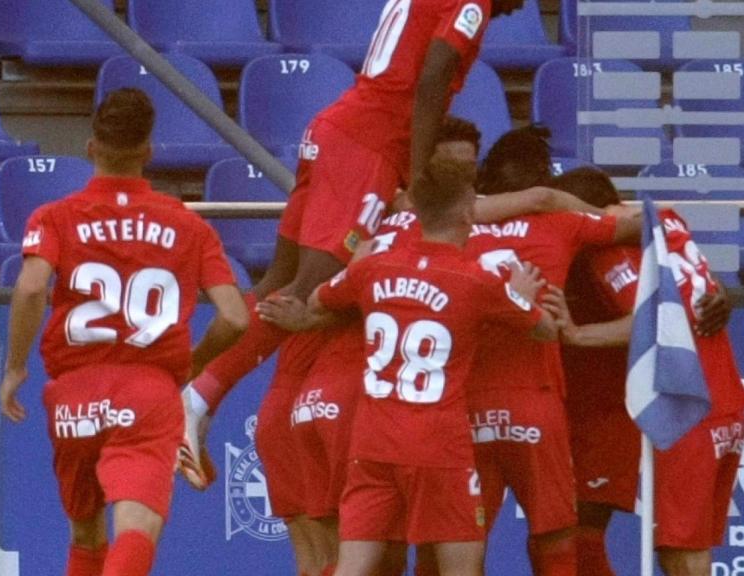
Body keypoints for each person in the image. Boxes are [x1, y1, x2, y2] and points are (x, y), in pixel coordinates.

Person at [180, 0, 529, 494]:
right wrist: (417, 173)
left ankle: (191, 379)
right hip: (366, 146)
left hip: (337, 129)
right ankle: (195, 400)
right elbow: (431, 81)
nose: (519, 11)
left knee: (278, 281)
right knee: (306, 291)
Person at [254, 116, 605, 576]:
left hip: (372, 442)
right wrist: (521, 293)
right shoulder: (476, 280)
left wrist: (297, 315)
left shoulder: (372, 266)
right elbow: (542, 329)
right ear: (467, 216)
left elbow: (319, 303)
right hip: (438, 447)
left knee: (351, 567)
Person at [0, 88, 249, 576]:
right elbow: (236, 316)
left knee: (85, 532)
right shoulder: (187, 225)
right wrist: (195, 363)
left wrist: (14, 367)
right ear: (149, 152)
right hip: (146, 390)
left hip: (73, 395)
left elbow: (30, 290)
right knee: (135, 529)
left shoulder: (55, 216)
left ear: (91, 147)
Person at [555, 167, 744, 576]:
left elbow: (654, 322)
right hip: (726, 402)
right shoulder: (669, 222)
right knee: (691, 546)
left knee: (680, 548)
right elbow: (693, 294)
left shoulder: (609, 248)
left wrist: (576, 335)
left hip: (687, 405)